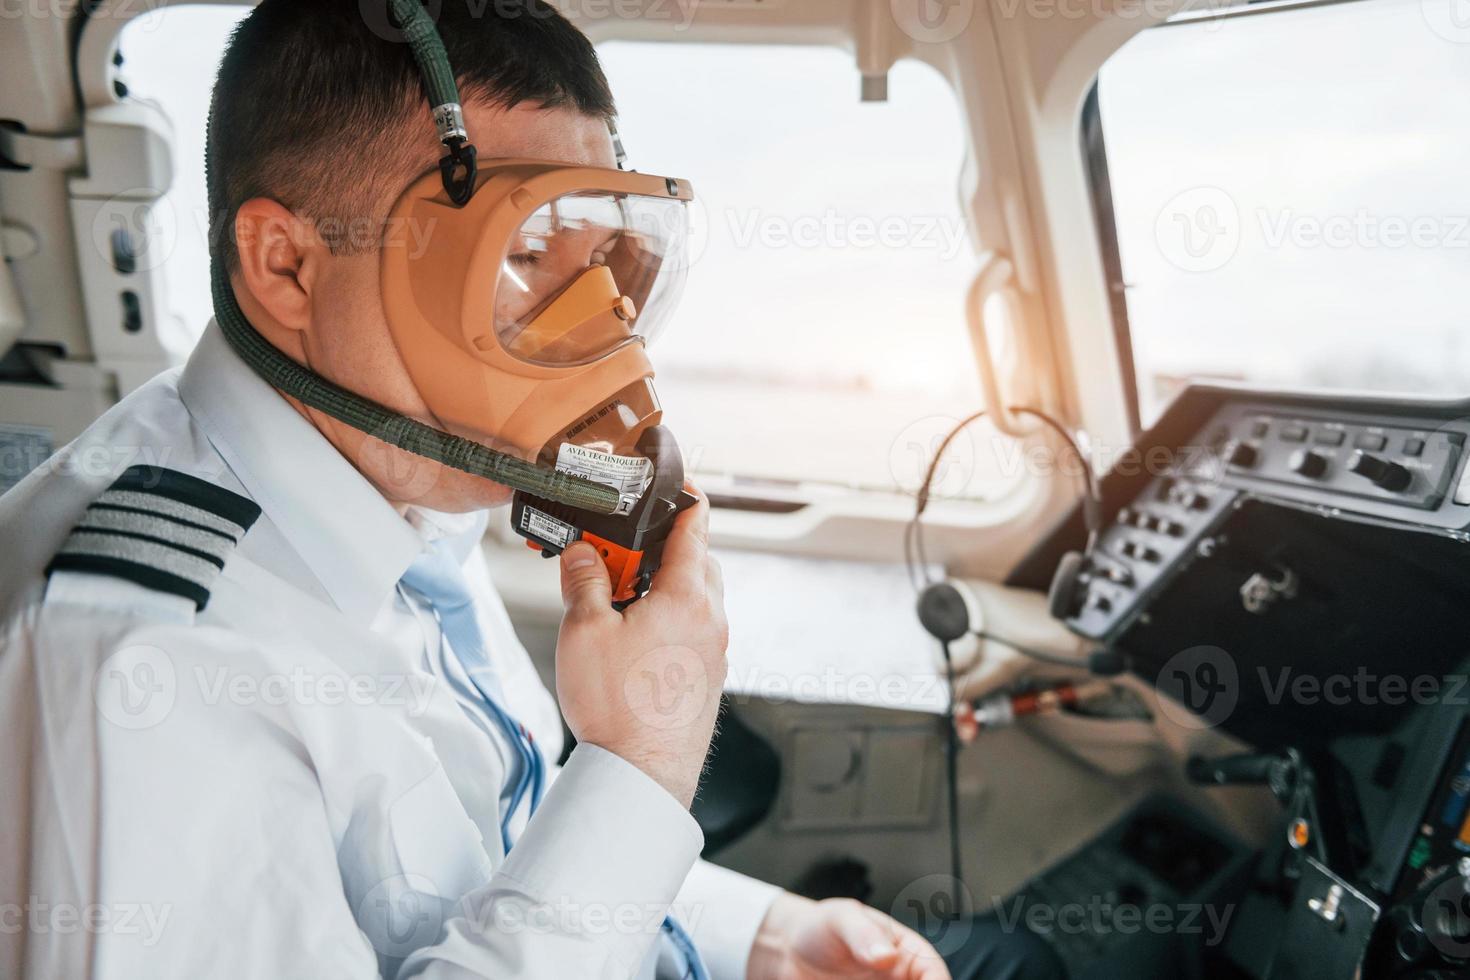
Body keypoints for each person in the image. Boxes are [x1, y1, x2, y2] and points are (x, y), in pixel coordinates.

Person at [0, 2, 1064, 978]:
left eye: (610, 259)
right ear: (285, 265)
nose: (595, 323)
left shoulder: (411, 488)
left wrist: (762, 933)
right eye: (528, 253)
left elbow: (497, 844)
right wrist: (643, 756)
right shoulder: (147, 660)